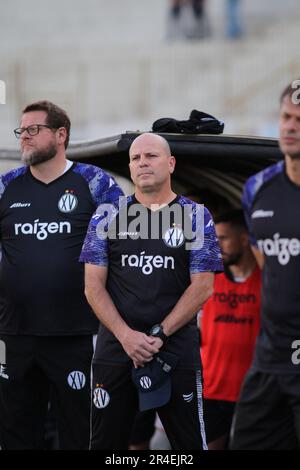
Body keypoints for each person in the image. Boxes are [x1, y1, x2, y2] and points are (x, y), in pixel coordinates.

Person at [80, 132, 223, 450]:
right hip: (117, 350)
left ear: (171, 163)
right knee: (105, 445)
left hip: (175, 349)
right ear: (130, 168)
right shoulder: (107, 215)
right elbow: (93, 286)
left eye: (151, 156)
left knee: (188, 446)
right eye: (135, 158)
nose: (142, 162)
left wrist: (160, 333)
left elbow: (203, 286)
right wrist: (127, 336)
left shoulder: (196, 217)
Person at [0, 100, 123, 449]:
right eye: (21, 131)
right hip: (13, 335)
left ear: (61, 134)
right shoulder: (6, 186)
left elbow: (121, 249)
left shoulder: (96, 183)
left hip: (76, 334)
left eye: (33, 130)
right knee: (15, 433)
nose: (24, 137)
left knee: (80, 432)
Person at [231, 80, 300, 450]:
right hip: (271, 358)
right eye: (286, 117)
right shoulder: (256, 189)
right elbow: (268, 267)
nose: (290, 126)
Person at [200, 209, 261, 450]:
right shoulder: (207, 279)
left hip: (253, 392)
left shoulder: (267, 279)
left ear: (245, 239)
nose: (217, 245)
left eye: (223, 238)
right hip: (211, 389)